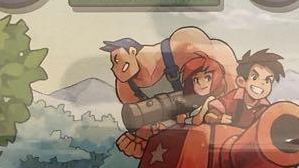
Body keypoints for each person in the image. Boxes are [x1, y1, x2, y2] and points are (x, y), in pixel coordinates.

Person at [101, 26, 238, 157]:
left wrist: (225, 111)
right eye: (113, 63)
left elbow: (225, 62)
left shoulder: (181, 44)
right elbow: (145, 127)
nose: (114, 67)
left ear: (132, 51)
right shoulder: (126, 87)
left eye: (117, 59)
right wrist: (142, 138)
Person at [206, 49, 285, 128]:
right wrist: (218, 119)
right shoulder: (232, 98)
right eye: (255, 77)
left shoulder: (265, 108)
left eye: (267, 80)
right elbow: (210, 115)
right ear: (241, 81)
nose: (262, 83)